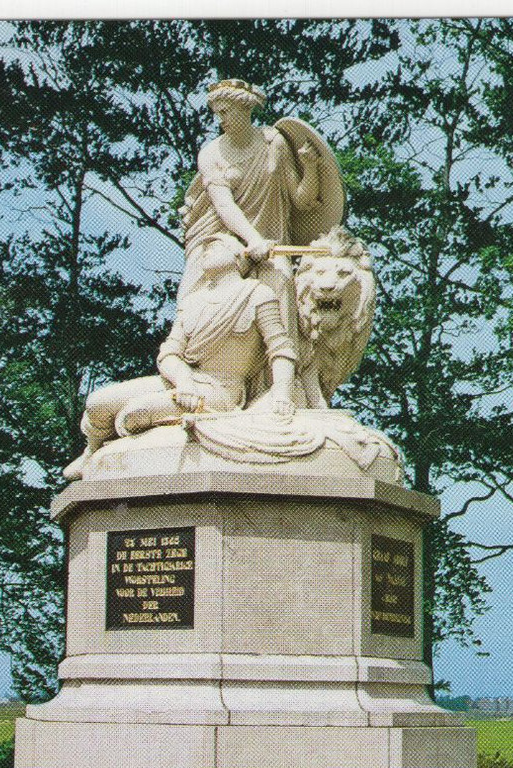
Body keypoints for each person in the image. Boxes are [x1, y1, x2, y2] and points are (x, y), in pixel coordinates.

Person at [62, 233, 298, 481]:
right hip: (180, 381)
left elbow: (280, 348)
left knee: (133, 415)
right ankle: (91, 451)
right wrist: (184, 381)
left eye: (215, 246)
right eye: (205, 248)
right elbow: (169, 354)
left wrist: (282, 395)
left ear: (238, 257)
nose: (206, 251)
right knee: (97, 403)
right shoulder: (192, 301)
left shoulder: (256, 294)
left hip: (220, 389)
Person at [178, 78, 323, 355]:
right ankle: (184, 364)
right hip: (219, 239)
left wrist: (310, 165)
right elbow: (223, 205)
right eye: (216, 114)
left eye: (225, 112)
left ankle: (284, 377)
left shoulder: (273, 143)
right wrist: (253, 240)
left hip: (270, 242)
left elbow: (302, 201)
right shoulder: (211, 154)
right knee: (190, 297)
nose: (220, 120)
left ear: (245, 110)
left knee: (281, 283)